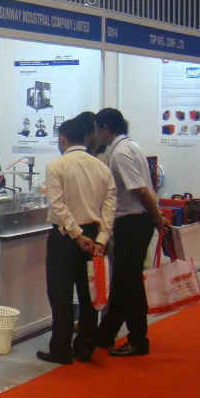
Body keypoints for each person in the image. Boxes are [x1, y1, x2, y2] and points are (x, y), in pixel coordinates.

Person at [37, 119, 116, 365]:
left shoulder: (56, 166)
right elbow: (109, 208)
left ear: (62, 140)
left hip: (64, 237)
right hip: (94, 236)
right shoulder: (102, 168)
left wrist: (76, 234)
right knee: (90, 292)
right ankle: (84, 346)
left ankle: (60, 349)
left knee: (60, 294)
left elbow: (58, 206)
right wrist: (101, 239)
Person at [95, 108, 169, 357]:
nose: (96, 135)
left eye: (97, 129)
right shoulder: (130, 147)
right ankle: (106, 334)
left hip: (132, 223)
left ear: (105, 128)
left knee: (129, 284)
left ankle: (137, 339)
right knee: (124, 282)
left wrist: (157, 217)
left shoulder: (121, 153)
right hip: (135, 221)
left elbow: (140, 189)